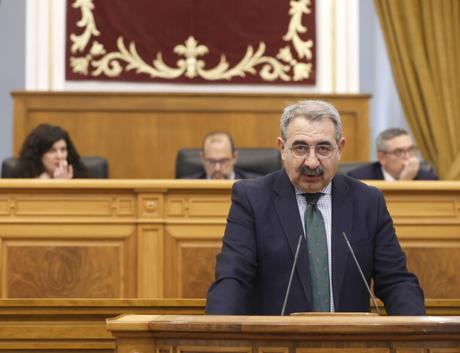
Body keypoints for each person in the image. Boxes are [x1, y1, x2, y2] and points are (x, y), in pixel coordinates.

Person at [206, 100, 424, 316]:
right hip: (275, 344)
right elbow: (232, 277)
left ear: (340, 149)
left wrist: (419, 336)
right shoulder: (252, 199)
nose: (311, 162)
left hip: (350, 343)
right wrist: (215, 334)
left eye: (323, 148)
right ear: (283, 148)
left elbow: (396, 280)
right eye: (300, 148)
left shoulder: (367, 201)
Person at [347, 128, 437, 180]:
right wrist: (403, 183)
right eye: (399, 152)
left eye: (411, 149)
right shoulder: (359, 179)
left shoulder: (429, 179)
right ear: (382, 157)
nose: (408, 157)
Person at [12, 123, 88, 179]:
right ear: (38, 154)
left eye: (63, 149)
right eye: (52, 151)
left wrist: (64, 186)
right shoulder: (20, 177)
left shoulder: (80, 176)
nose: (60, 156)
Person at [183, 131, 259, 180]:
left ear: (234, 157)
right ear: (202, 158)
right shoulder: (184, 186)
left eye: (223, 161)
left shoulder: (255, 186)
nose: (217, 168)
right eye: (211, 161)